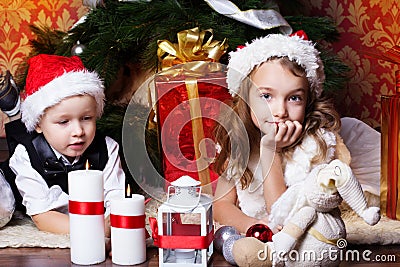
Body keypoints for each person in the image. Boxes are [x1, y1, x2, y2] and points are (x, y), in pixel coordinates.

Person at [212, 31, 379, 234]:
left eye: (294, 98)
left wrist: (270, 152)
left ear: (308, 101)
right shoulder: (241, 141)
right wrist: (252, 226)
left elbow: (285, 219)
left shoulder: (317, 145)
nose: (280, 111)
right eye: (266, 96)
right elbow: (221, 205)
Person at [0, 54, 125, 238]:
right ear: (39, 125)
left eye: (86, 118)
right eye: (64, 121)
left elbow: (117, 200)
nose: (78, 131)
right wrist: (96, 231)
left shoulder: (107, 148)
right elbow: (43, 217)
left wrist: (115, 225)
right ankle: (15, 113)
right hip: (10, 185)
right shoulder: (25, 154)